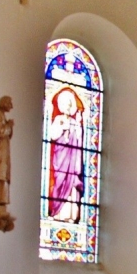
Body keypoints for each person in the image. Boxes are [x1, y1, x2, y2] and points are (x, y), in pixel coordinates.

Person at [48, 87, 85, 222]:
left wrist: (79, 126)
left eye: (69, 104)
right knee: (60, 181)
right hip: (61, 158)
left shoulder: (75, 123)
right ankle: (57, 213)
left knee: (72, 186)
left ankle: (71, 216)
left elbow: (79, 141)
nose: (67, 107)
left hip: (72, 159)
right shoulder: (58, 119)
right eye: (64, 104)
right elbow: (52, 135)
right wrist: (62, 128)